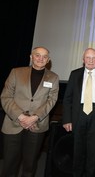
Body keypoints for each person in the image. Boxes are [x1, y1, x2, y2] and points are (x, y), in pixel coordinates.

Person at [0, 46, 59, 177]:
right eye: (37, 55)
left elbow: (52, 100)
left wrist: (35, 117)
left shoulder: (53, 78)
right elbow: (5, 97)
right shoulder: (16, 72)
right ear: (31, 57)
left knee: (30, 166)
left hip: (36, 126)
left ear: (48, 60)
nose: (41, 59)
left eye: (44, 57)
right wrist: (21, 116)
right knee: (9, 165)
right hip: (13, 124)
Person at [62, 48, 95, 177]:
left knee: (93, 150)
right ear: (83, 60)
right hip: (78, 114)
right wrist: (67, 119)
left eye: (93, 58)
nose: (91, 60)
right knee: (77, 149)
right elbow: (67, 98)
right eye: (88, 58)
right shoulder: (75, 74)